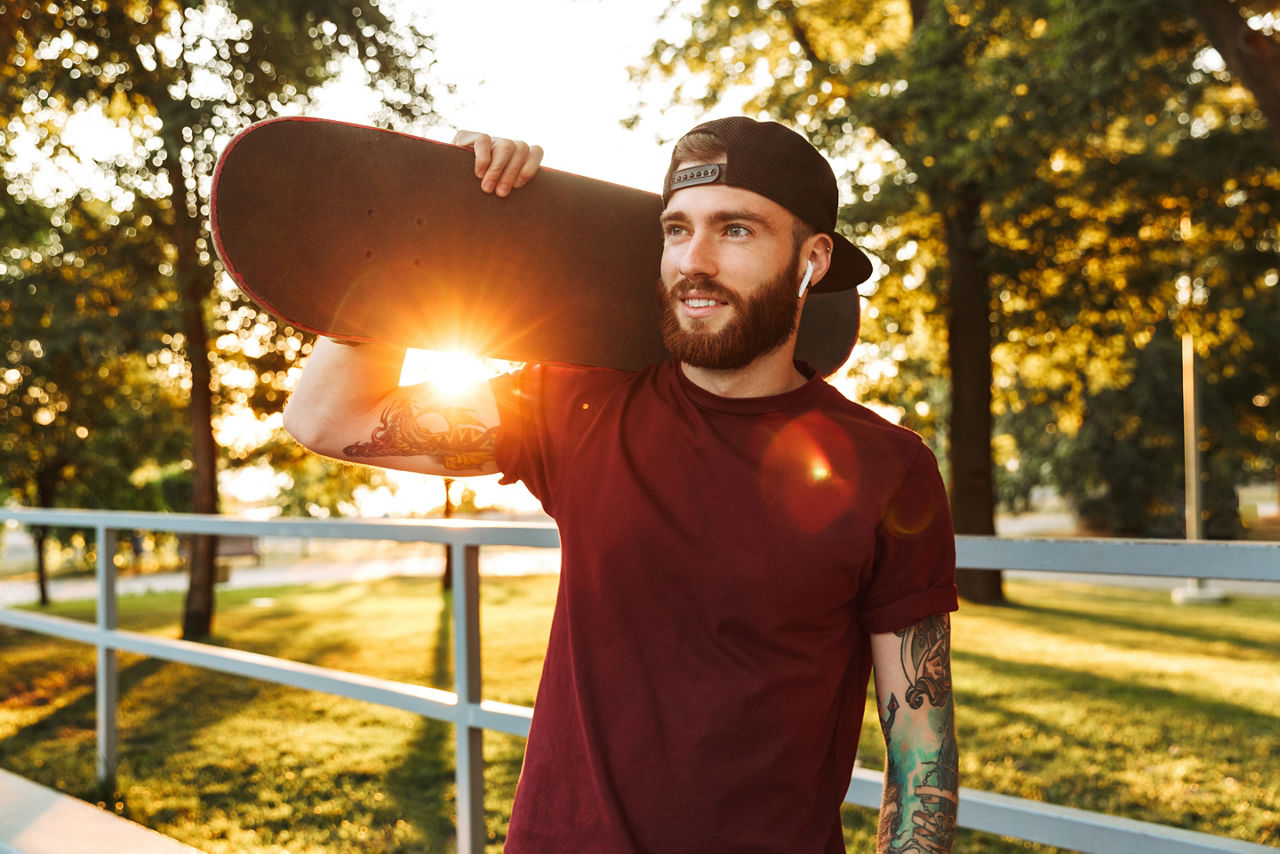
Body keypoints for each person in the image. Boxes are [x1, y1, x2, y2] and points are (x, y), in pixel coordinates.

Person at [283, 117, 958, 853]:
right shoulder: (580, 408)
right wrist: (432, 221)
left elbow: (920, 750)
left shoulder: (891, 469)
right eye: (676, 229)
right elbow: (326, 417)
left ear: (813, 259)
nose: (692, 261)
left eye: (735, 230)